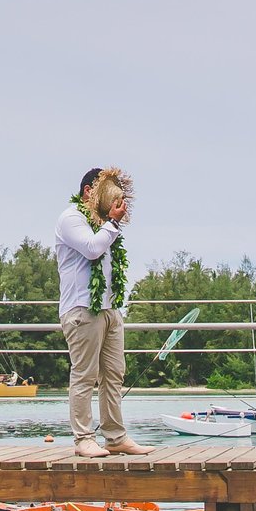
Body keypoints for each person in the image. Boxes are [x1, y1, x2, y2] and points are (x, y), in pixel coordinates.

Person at [57, 167, 149, 458]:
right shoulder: (71, 218)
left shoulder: (104, 225)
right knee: (85, 374)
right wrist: (112, 222)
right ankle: (83, 438)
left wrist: (110, 224)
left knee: (114, 374)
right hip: (82, 310)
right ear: (88, 192)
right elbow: (92, 249)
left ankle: (116, 437)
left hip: (110, 309)